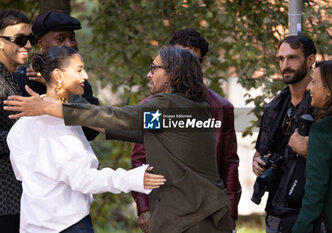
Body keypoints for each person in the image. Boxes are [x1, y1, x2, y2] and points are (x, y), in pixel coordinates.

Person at [4, 46, 233, 233]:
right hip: (199, 214)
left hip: (194, 218)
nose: (149, 74)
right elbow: (128, 129)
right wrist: (58, 103)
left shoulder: (168, 106)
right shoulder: (190, 108)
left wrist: (54, 108)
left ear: (172, 73)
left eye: (154, 68)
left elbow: (119, 118)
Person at [7, 46, 165, 233]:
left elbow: (21, 173)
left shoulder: (24, 123)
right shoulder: (58, 127)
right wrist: (133, 179)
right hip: (68, 224)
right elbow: (85, 180)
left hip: (33, 223)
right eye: (79, 70)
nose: (86, 76)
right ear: (58, 75)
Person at [123, 28, 241, 233]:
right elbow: (140, 158)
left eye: (190, 60)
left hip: (208, 211)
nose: (182, 67)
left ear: (200, 63)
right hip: (167, 210)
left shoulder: (220, 108)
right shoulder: (154, 107)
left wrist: (230, 211)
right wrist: (144, 207)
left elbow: (229, 162)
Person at [251, 35, 316, 233]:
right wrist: (257, 163)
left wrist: (309, 150)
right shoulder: (274, 107)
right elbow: (260, 152)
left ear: (310, 60)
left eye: (292, 58)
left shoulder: (326, 106)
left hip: (312, 215)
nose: (285, 64)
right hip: (275, 215)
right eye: (281, 58)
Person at [13, 11, 99, 141]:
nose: (69, 45)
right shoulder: (21, 79)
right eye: (60, 39)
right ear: (41, 43)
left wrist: (62, 89)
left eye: (72, 38)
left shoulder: (80, 82)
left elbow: (93, 130)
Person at [292, 60, 332, 233]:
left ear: (330, 91)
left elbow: (315, 194)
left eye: (314, 82)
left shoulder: (322, 130)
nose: (309, 87)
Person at [0, 9, 36, 232]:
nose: (29, 45)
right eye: (20, 39)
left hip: (18, 196)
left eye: (30, 39)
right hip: (4, 200)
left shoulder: (15, 78)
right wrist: (27, 139)